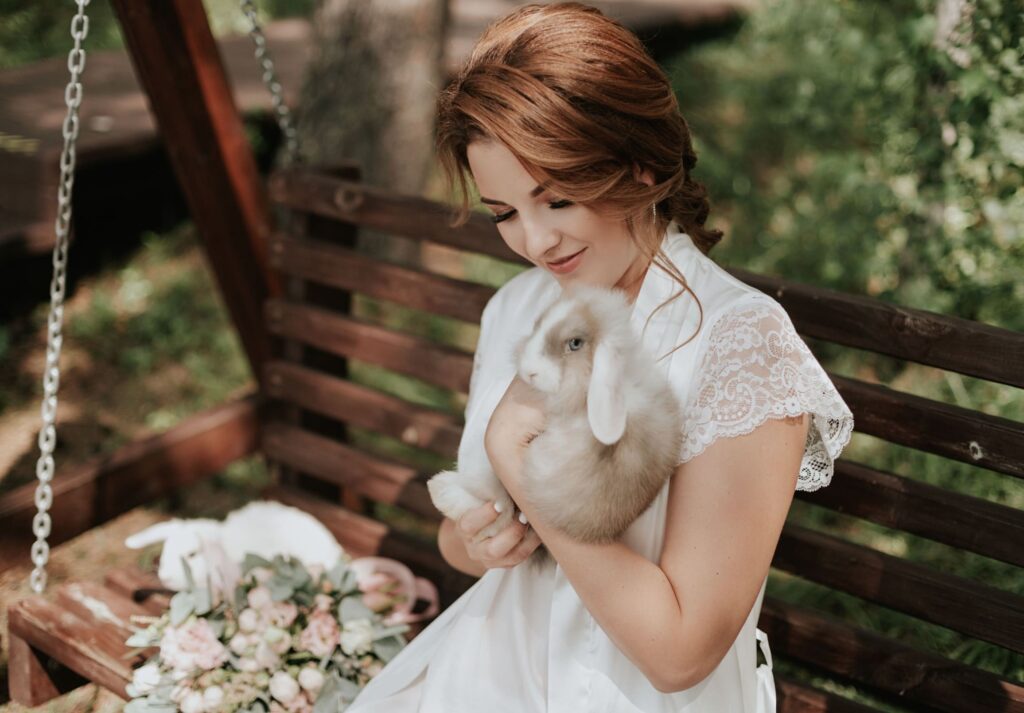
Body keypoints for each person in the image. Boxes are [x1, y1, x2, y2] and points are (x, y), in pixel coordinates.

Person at [346, 3, 854, 711]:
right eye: (504, 212)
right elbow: (466, 535)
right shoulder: (517, 309)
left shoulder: (739, 343)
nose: (535, 241)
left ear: (640, 164)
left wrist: (520, 456)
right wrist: (477, 539)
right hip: (488, 673)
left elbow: (681, 652)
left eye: (555, 199)